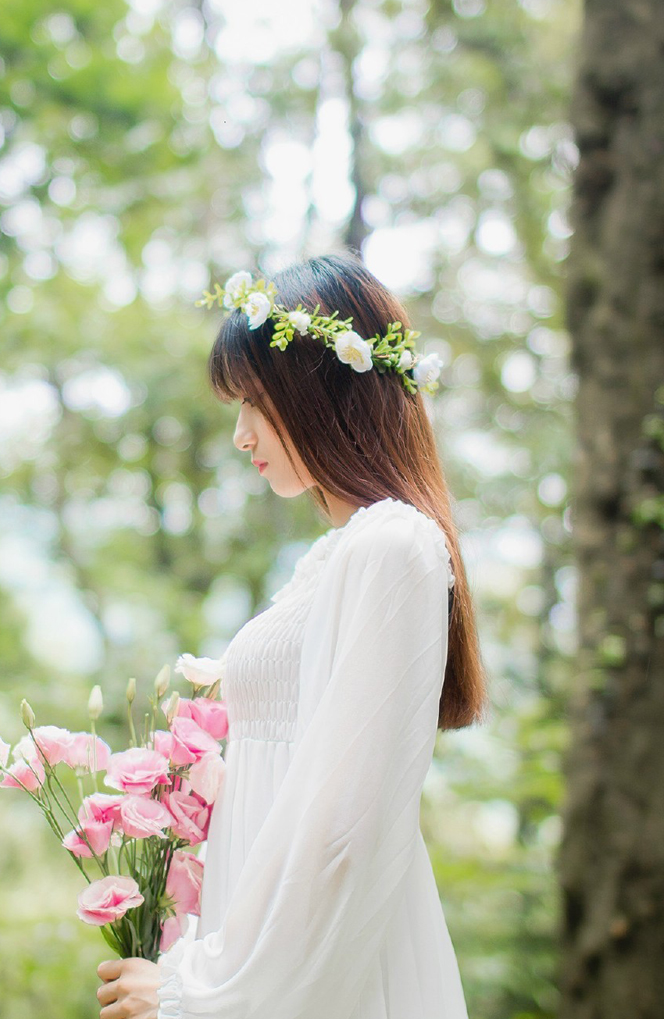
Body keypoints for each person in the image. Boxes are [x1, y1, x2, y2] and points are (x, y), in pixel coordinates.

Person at [95, 250, 488, 1019]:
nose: (242, 435)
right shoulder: (337, 557)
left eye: (255, 401)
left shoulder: (391, 547)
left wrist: (201, 985)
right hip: (268, 956)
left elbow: (346, 830)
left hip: (321, 972)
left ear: (322, 388)